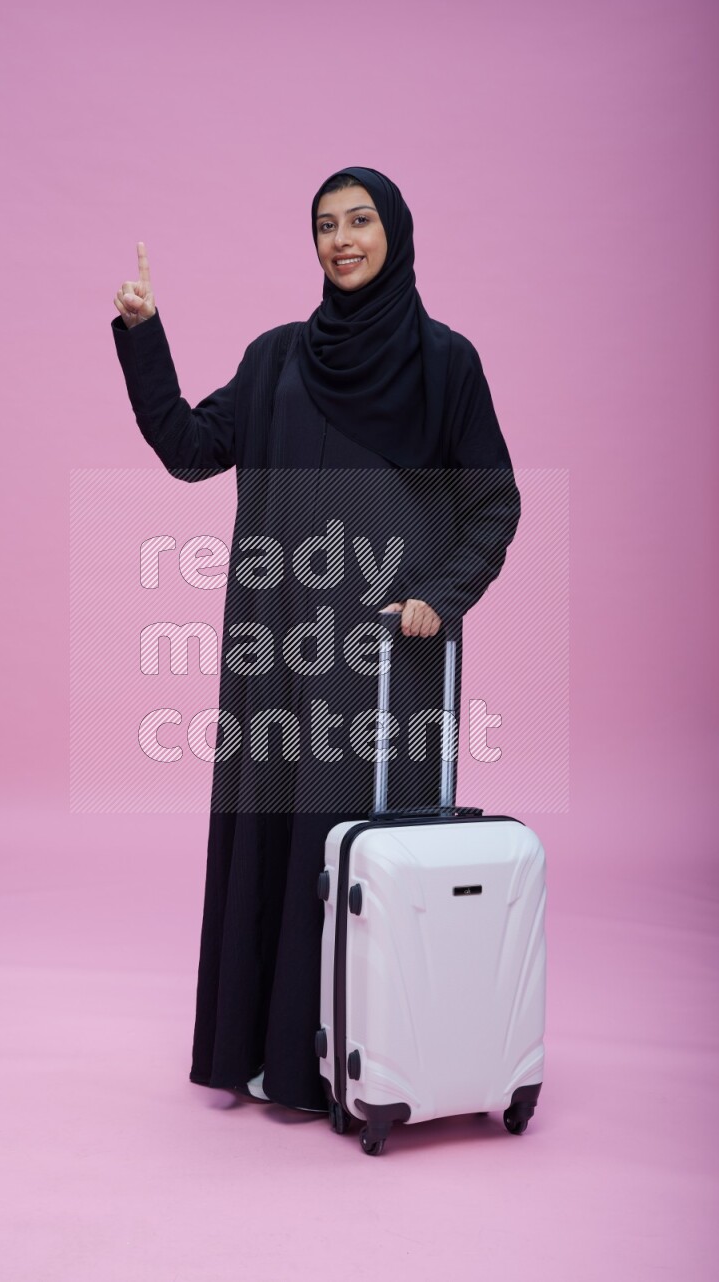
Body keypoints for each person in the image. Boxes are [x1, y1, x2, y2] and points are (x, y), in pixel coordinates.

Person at [111, 166, 521, 1113]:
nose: (342, 240)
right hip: (280, 656)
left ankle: (380, 1061)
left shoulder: (446, 363)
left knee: (356, 855)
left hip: (384, 665)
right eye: (326, 226)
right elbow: (186, 448)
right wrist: (142, 335)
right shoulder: (274, 360)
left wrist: (441, 594)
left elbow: (493, 502)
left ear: (396, 232)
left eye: (360, 221)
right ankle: (270, 1057)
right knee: (274, 845)